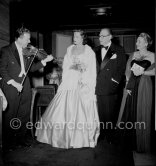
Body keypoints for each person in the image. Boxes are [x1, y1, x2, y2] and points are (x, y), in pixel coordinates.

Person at [36, 30, 100, 148]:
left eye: (76, 36)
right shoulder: (70, 49)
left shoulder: (89, 51)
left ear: (82, 37)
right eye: (74, 36)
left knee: (79, 109)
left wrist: (83, 75)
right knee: (62, 107)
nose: (74, 38)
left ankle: (78, 138)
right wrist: (72, 69)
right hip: (69, 80)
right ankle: (60, 136)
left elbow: (91, 69)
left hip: (81, 81)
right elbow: (66, 65)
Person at [0, 26, 53, 152]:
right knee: (11, 114)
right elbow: (2, 69)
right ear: (19, 38)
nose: (29, 42)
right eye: (27, 39)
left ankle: (20, 139)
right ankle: (8, 142)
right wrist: (13, 83)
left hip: (26, 85)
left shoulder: (27, 52)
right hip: (11, 86)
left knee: (24, 114)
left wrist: (44, 60)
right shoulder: (6, 50)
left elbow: (33, 68)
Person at [117, 32, 155, 152]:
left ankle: (142, 143)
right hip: (132, 84)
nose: (136, 43)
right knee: (129, 110)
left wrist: (143, 73)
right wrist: (128, 86)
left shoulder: (153, 55)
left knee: (142, 110)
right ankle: (129, 142)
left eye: (139, 41)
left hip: (144, 85)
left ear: (146, 43)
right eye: (137, 40)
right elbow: (127, 72)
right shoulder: (133, 54)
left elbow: (155, 72)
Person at [94, 28, 126, 143]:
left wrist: (115, 82)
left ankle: (111, 134)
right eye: (99, 36)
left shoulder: (119, 50)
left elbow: (122, 68)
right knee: (101, 112)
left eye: (103, 36)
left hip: (110, 86)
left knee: (111, 112)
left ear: (110, 37)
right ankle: (103, 133)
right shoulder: (95, 50)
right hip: (98, 85)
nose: (100, 38)